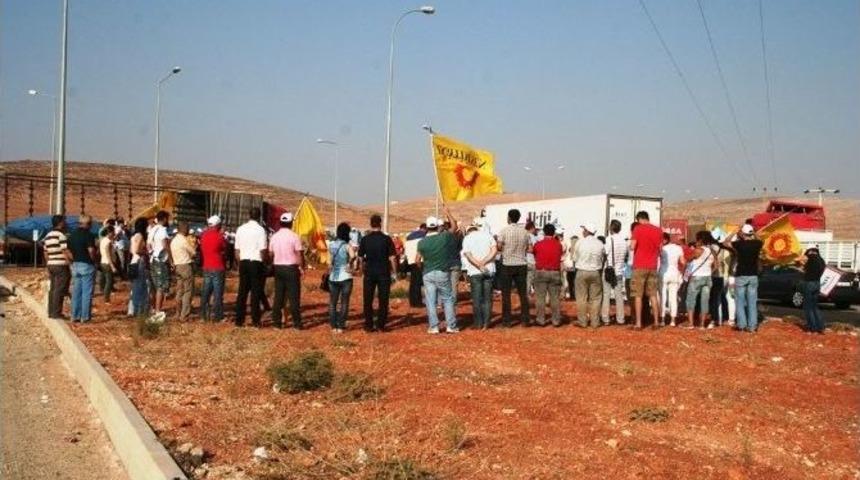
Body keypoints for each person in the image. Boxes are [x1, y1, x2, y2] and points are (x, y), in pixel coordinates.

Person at [417, 213, 459, 334]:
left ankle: (434, 326)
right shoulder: (444, 237)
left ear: (426, 227)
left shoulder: (422, 242)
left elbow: (417, 260)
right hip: (442, 272)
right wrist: (448, 213)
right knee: (447, 299)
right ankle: (451, 325)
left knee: (430, 301)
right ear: (437, 226)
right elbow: (454, 226)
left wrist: (423, 268)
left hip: (427, 273)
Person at [358, 214, 397, 332]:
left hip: (369, 272)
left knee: (368, 299)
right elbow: (392, 258)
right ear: (380, 223)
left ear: (371, 224)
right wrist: (395, 272)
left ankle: (369, 325)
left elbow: (360, 257)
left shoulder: (365, 239)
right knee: (383, 299)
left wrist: (361, 269)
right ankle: (381, 325)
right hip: (383, 272)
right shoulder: (386, 239)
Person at [269, 212, 305, 329]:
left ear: (281, 223)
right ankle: (297, 324)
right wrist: (301, 267)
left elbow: (270, 253)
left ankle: (276, 323)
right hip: (291, 269)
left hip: (278, 268)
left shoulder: (274, 236)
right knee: (294, 297)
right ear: (290, 223)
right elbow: (299, 254)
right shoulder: (294, 236)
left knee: (279, 297)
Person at [497, 209, 531, 327]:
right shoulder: (525, 232)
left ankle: (507, 321)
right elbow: (529, 248)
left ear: (509, 218)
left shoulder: (504, 231)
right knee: (523, 293)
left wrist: (506, 249)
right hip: (521, 264)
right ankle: (525, 320)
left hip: (507, 264)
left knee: (506, 294)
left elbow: (499, 247)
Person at [726, 224, 763, 332]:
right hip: (753, 275)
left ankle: (742, 325)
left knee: (740, 301)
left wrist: (734, 231)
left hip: (741, 274)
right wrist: (754, 233)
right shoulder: (757, 244)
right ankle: (752, 326)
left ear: (742, 233)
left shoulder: (739, 244)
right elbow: (760, 240)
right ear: (751, 233)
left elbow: (725, 242)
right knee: (752, 302)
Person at [629, 211, 662, 329]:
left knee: (638, 295)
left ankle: (638, 323)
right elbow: (660, 249)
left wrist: (631, 244)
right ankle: (656, 322)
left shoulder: (638, 229)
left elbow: (632, 246)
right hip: (652, 266)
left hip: (639, 265)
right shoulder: (658, 230)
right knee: (653, 295)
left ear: (640, 219)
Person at [461, 220, 497, 329]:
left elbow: (468, 254)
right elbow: (494, 251)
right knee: (487, 298)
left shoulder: (467, 238)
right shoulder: (489, 236)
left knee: (477, 298)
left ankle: (478, 323)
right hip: (489, 269)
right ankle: (487, 323)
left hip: (475, 271)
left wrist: (478, 264)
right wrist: (484, 262)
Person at [235, 207, 268, 327]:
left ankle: (239, 320)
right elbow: (263, 250)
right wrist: (263, 263)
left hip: (244, 261)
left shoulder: (241, 229)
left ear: (249, 215)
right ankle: (255, 320)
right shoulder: (261, 230)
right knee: (256, 292)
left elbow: (237, 250)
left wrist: (240, 263)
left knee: (242, 292)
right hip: (256, 262)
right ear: (259, 216)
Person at [573, 223, 605, 328]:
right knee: (595, 298)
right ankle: (595, 322)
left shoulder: (580, 242)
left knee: (581, 298)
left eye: (584, 229)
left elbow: (574, 258)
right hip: (595, 271)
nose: (583, 231)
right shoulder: (600, 243)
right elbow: (603, 258)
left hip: (582, 271)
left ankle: (582, 321)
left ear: (587, 231)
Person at [327, 222, 357, 333]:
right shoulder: (347, 245)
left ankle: (333, 326)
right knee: (344, 302)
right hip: (346, 277)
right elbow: (353, 256)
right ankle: (341, 326)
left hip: (333, 277)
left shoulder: (331, 245)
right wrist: (349, 263)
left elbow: (329, 263)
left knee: (332, 303)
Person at [533, 223, 564, 327]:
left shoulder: (538, 244)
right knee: (554, 298)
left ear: (544, 232)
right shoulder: (558, 245)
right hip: (554, 272)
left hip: (541, 271)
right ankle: (555, 320)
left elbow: (534, 253)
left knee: (540, 297)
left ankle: (540, 319)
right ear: (554, 232)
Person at [685, 231, 717, 329]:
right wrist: (709, 272)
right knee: (705, 301)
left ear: (700, 240)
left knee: (691, 300)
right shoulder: (712, 251)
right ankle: (702, 325)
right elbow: (716, 266)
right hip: (708, 278)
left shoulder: (698, 250)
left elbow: (688, 259)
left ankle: (691, 324)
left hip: (697, 277)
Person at [68, 215, 97, 323]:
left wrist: (73, 260)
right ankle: (85, 317)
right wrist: (94, 261)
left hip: (76, 264)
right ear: (87, 224)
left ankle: (74, 315)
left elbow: (68, 252)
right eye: (90, 224)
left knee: (76, 292)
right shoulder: (89, 235)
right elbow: (91, 250)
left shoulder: (71, 236)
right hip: (87, 265)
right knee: (87, 292)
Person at [199, 216, 227, 322]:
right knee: (218, 293)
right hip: (218, 267)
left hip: (206, 266)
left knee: (206, 291)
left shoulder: (203, 235)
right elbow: (225, 249)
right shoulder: (220, 236)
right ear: (218, 225)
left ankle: (203, 315)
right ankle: (218, 316)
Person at [44, 215, 71, 319]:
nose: (65, 223)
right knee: (60, 289)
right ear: (60, 223)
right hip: (60, 265)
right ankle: (56, 313)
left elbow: (45, 252)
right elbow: (65, 250)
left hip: (51, 264)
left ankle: (51, 311)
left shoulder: (48, 236)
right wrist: (70, 262)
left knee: (53, 288)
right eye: (64, 221)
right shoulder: (61, 235)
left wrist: (48, 263)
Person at [601, 220, 628, 325]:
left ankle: (605, 318)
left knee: (606, 294)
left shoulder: (609, 239)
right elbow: (625, 256)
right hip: (619, 271)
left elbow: (604, 253)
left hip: (609, 270)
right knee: (619, 296)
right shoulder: (623, 241)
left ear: (611, 228)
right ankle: (620, 319)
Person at [148, 210, 172, 320]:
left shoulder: (152, 229)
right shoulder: (163, 230)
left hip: (153, 260)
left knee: (154, 285)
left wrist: (152, 253)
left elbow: (148, 245)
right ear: (164, 219)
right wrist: (171, 259)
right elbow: (165, 245)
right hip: (161, 261)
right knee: (161, 286)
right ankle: (158, 310)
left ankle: (153, 308)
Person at [171, 221, 196, 321]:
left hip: (177, 266)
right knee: (188, 290)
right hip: (185, 265)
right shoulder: (183, 240)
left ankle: (177, 313)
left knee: (179, 291)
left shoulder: (174, 240)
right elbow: (193, 252)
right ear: (184, 229)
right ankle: (184, 314)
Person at [659, 233, 685, 327]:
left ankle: (662, 319)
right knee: (673, 297)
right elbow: (683, 262)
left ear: (664, 240)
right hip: (675, 273)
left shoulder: (662, 248)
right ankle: (673, 320)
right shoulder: (678, 248)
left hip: (663, 273)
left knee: (662, 297)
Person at [800, 247, 826, 334]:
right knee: (815, 307)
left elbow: (804, 270)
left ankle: (812, 328)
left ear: (811, 252)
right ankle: (820, 327)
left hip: (809, 283)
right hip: (817, 283)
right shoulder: (821, 261)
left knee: (808, 307)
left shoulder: (810, 259)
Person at [129, 217, 150, 316]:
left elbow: (131, 250)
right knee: (140, 286)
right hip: (139, 261)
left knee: (135, 286)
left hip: (133, 260)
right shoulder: (141, 236)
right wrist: (146, 252)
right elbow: (137, 250)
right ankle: (139, 309)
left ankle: (134, 308)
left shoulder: (133, 236)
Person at [405, 223, 427, 308]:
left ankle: (412, 301)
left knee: (413, 282)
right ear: (425, 228)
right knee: (418, 282)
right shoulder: (423, 236)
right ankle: (418, 302)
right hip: (419, 260)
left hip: (410, 260)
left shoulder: (410, 235)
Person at [98, 227, 117, 303]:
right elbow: (108, 254)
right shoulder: (108, 242)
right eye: (113, 232)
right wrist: (112, 266)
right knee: (109, 282)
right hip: (108, 263)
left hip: (103, 262)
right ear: (109, 233)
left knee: (105, 280)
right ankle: (106, 299)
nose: (114, 234)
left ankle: (104, 294)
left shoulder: (103, 240)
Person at [525, 221, 538, 295]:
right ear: (532, 228)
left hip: (522, 261)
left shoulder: (522, 235)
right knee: (530, 281)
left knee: (525, 281)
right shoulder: (532, 237)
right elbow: (534, 249)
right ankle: (526, 298)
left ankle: (525, 297)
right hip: (531, 261)